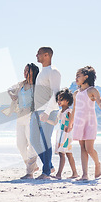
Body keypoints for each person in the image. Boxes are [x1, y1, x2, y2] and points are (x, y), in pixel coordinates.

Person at [66, 66, 101, 181]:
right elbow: (74, 110)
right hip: (79, 123)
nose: (76, 78)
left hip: (90, 122)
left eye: (78, 76)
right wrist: (70, 124)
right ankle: (84, 175)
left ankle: (97, 164)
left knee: (89, 148)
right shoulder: (76, 93)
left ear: (86, 77)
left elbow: (100, 103)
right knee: (82, 148)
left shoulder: (92, 90)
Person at [30, 47, 61, 180]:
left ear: (47, 55)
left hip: (49, 111)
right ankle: (49, 165)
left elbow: (56, 94)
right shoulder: (42, 72)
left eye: (39, 53)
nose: (36, 55)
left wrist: (47, 112)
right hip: (37, 111)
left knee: (45, 141)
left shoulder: (54, 71)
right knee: (33, 140)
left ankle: (46, 172)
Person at [5, 64, 40, 179]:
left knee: (32, 144)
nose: (25, 72)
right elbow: (9, 89)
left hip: (31, 116)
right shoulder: (21, 84)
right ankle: (32, 166)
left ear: (33, 72)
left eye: (27, 70)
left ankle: (29, 172)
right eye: (24, 70)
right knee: (20, 144)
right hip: (20, 116)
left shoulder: (36, 86)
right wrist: (12, 95)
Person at [52, 88, 79, 180]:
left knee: (62, 153)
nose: (59, 101)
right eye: (58, 99)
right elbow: (56, 122)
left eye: (61, 99)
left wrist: (70, 127)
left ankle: (58, 174)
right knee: (68, 154)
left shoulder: (68, 111)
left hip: (66, 135)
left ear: (67, 101)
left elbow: (73, 120)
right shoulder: (60, 112)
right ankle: (75, 173)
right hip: (61, 134)